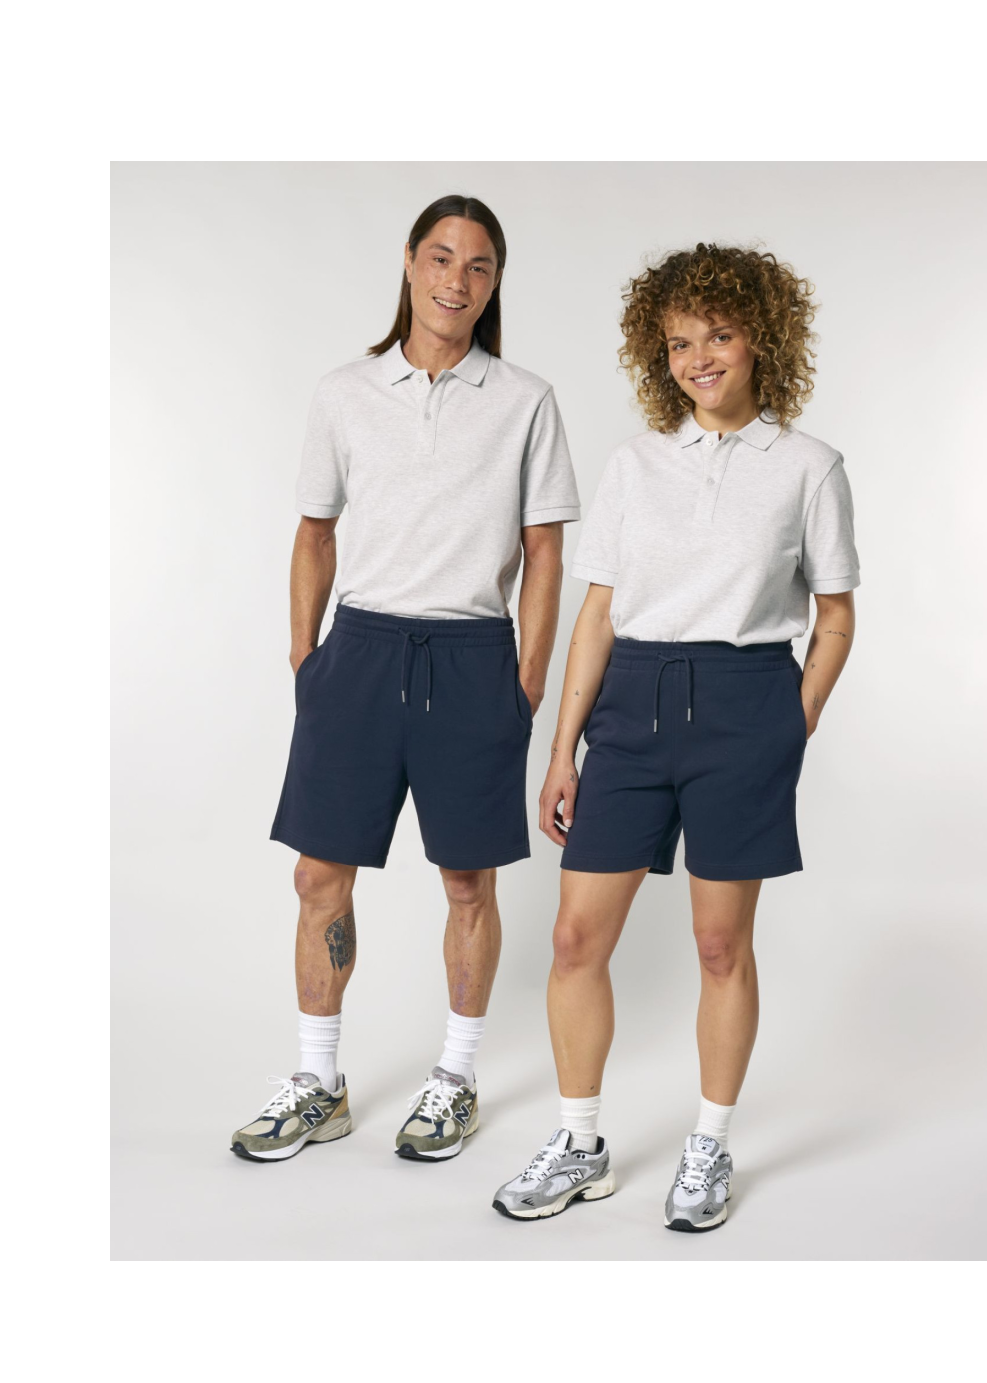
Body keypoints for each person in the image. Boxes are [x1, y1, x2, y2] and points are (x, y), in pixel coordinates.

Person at [492, 243, 859, 1230]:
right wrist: (562, 749)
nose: (697, 358)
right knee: (574, 938)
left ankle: (708, 1146)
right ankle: (579, 1144)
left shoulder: (808, 467)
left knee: (717, 944)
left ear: (761, 338)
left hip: (746, 702)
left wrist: (791, 725)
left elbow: (834, 614)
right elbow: (598, 612)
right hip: (632, 704)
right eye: (678, 342)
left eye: (719, 335)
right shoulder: (634, 463)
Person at [231, 195, 579, 1163]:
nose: (456, 281)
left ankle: (455, 1080)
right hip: (359, 655)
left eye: (478, 265)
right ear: (410, 262)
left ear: (494, 284)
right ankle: (319, 1083)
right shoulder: (345, 392)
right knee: (317, 875)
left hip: (471, 659)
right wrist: (306, 659)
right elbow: (314, 532)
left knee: (466, 881)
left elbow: (544, 551)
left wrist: (527, 681)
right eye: (440, 257)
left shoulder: (525, 400)